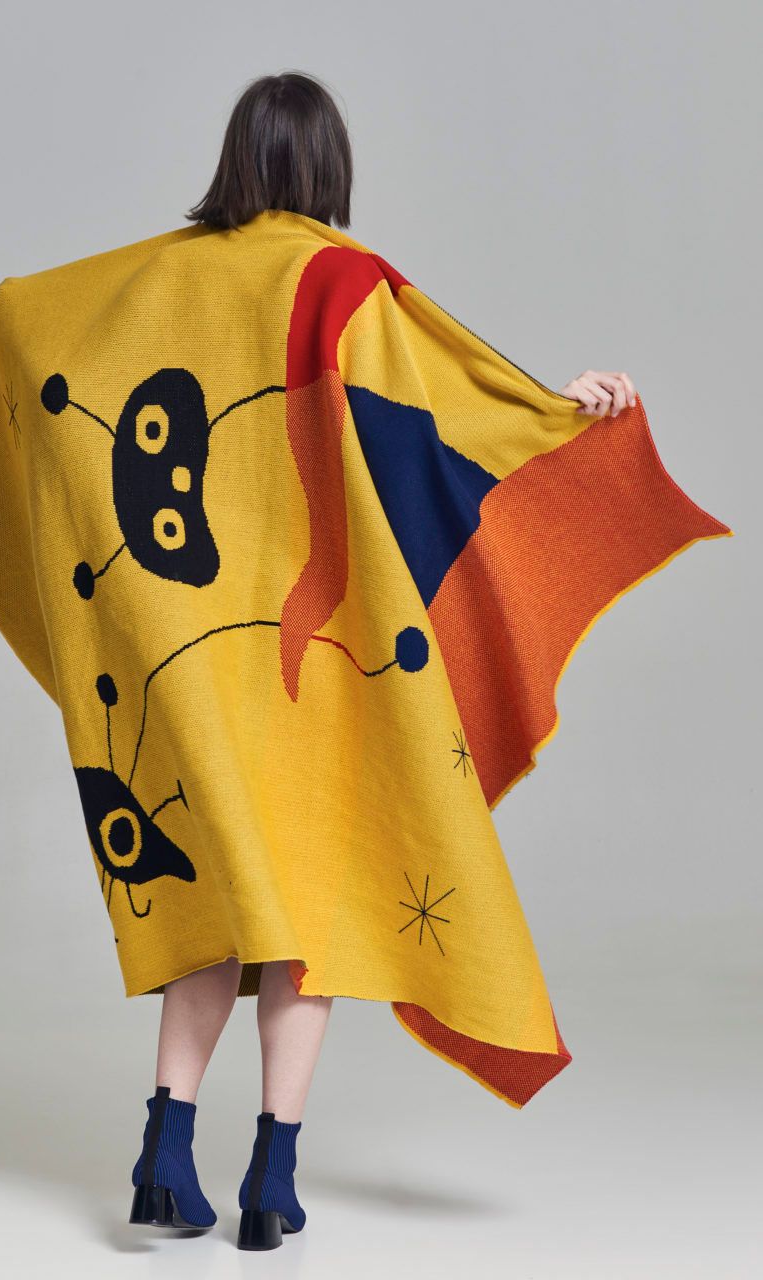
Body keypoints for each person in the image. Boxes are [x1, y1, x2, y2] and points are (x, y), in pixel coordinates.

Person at [126, 69, 637, 1251]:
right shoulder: (343, 280)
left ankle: (162, 1146)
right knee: (308, 908)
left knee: (215, 902)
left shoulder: (165, 277)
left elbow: (52, 333)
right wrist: (552, 409)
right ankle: (270, 1177)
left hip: (196, 656)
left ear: (237, 158)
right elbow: (439, 408)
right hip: (312, 652)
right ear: (326, 165)